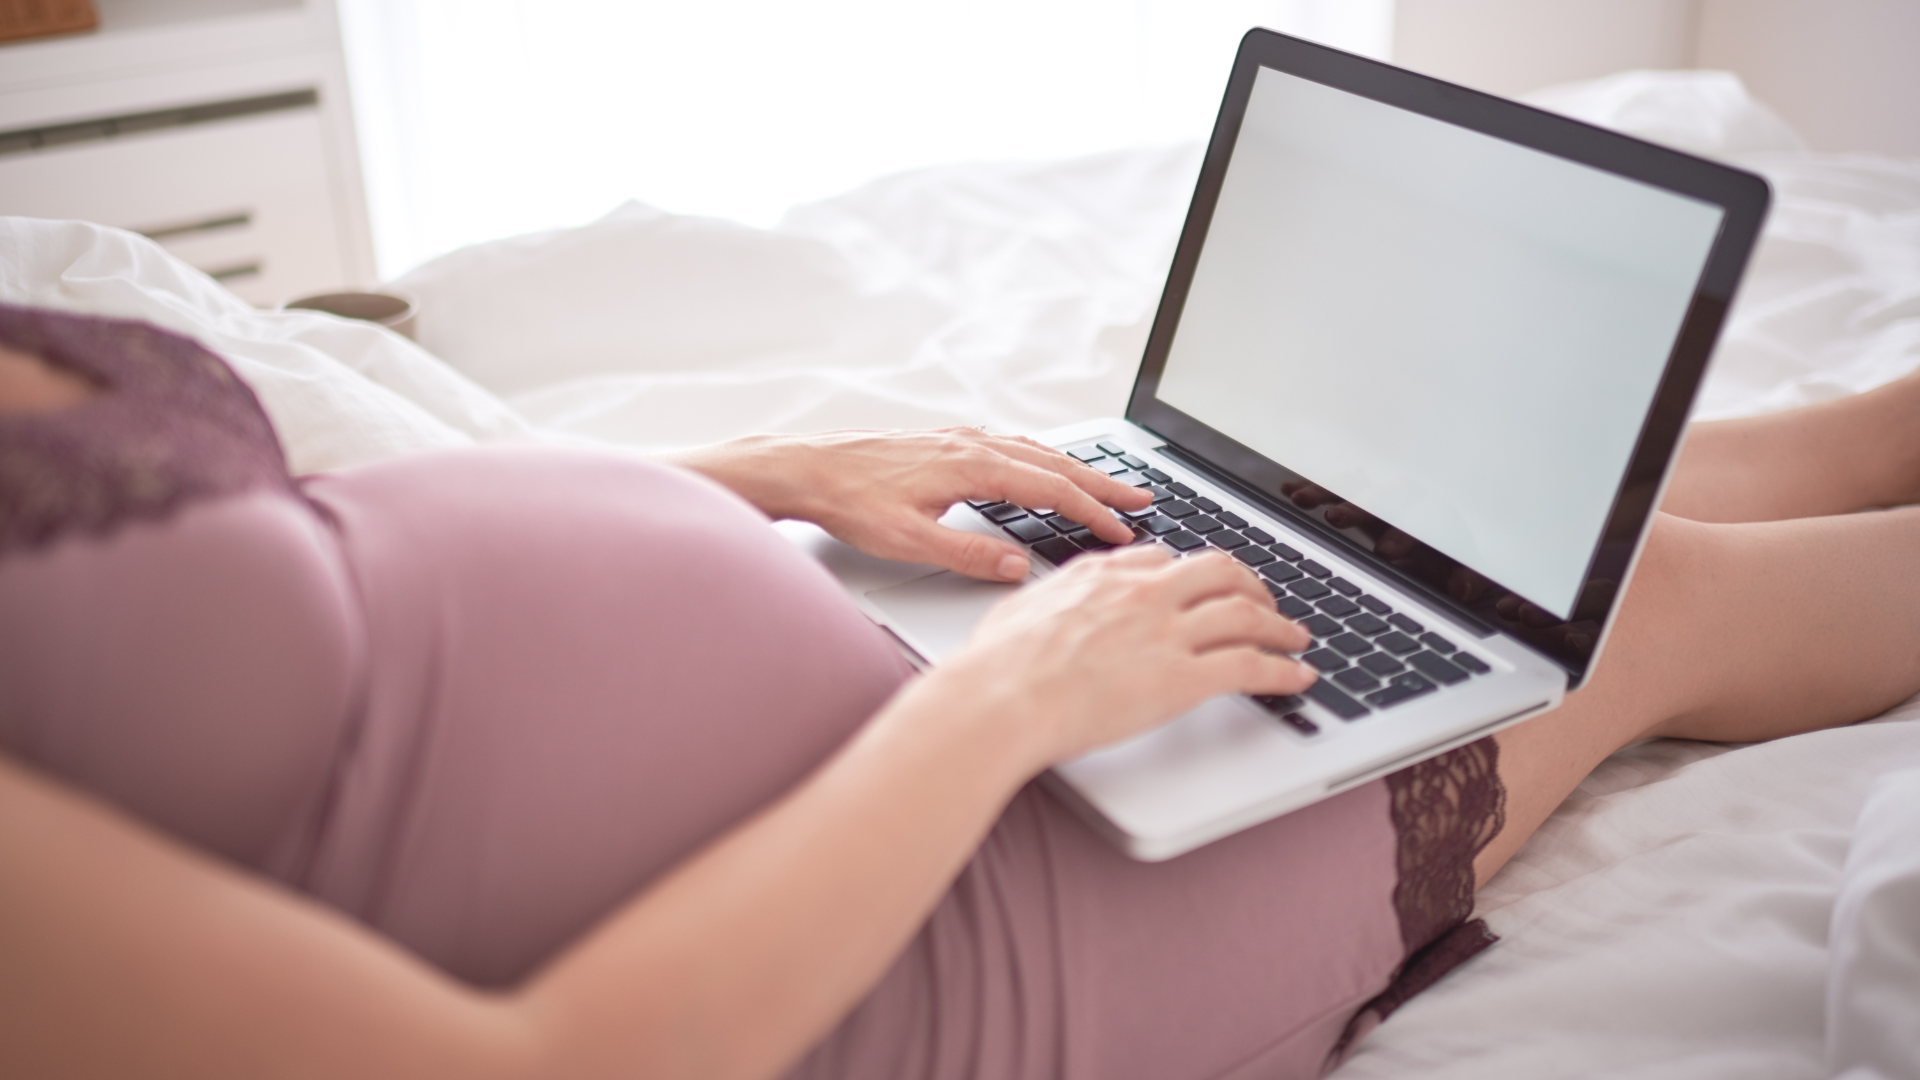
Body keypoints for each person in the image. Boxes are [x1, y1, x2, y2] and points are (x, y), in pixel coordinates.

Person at [0, 301, 1916, 1080]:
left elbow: (293, 555)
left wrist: (764, 477)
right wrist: (1003, 707)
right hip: (904, 936)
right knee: (1622, 600)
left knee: (1421, 511)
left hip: (891, 676)